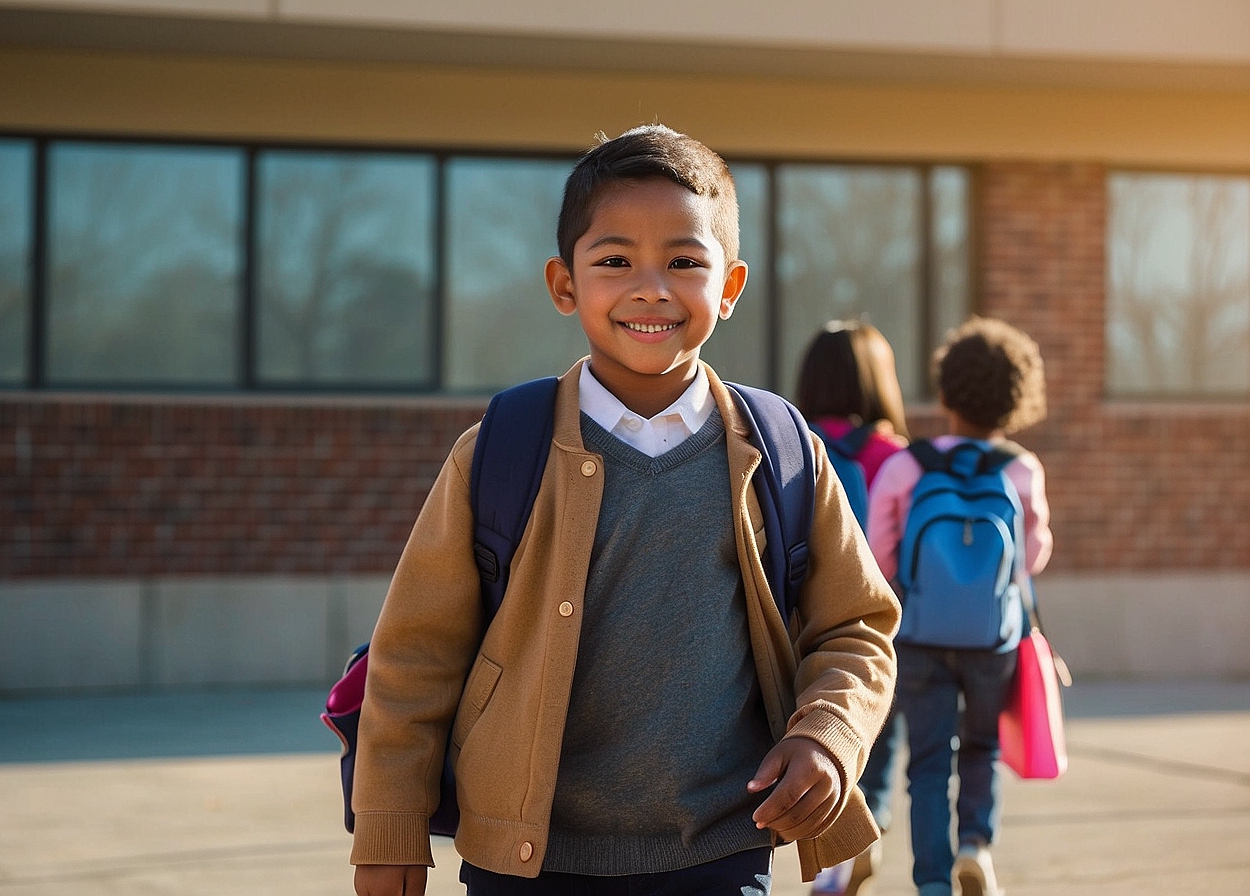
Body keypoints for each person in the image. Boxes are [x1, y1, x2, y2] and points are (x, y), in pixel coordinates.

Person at [349, 124, 901, 896]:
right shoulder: (501, 451)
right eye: (615, 261)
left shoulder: (781, 452)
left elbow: (856, 625)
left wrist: (829, 736)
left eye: (685, 262)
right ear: (564, 283)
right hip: (526, 863)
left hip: (720, 851)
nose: (652, 288)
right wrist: (389, 829)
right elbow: (415, 658)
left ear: (730, 287)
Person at [866, 317, 1052, 896]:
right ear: (1016, 400)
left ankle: (931, 883)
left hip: (918, 636)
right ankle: (976, 846)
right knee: (982, 747)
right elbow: (1034, 555)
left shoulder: (907, 465)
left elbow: (879, 552)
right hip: (994, 638)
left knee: (926, 766)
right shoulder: (1020, 469)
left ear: (945, 392)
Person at [794, 320, 909, 896]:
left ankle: (834, 854)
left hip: (799, 615)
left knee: (815, 728)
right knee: (872, 727)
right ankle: (870, 822)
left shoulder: (791, 444)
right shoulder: (894, 456)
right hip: (876, 621)